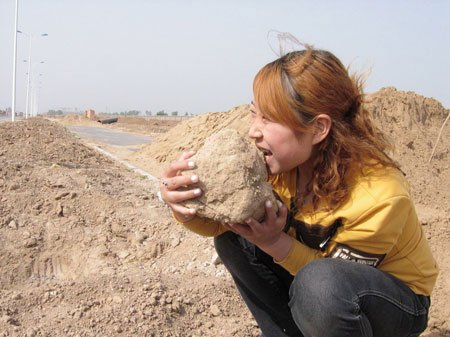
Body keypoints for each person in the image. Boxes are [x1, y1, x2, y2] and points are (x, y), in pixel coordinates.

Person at [159, 44, 438, 337]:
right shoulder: (280, 165)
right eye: (254, 114)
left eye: (269, 119)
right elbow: (221, 223)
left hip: (393, 298)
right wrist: (185, 205)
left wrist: (273, 242)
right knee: (234, 240)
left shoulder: (378, 196)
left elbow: (330, 279)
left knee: (319, 288)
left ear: (318, 129)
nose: (254, 130)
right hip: (320, 280)